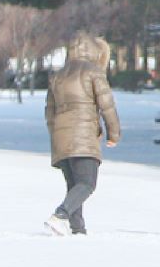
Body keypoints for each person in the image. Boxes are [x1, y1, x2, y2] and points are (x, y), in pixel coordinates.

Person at [45, 40, 118, 230]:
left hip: (61, 138)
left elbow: (49, 113)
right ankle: (61, 214)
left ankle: (77, 229)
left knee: (74, 185)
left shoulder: (58, 76)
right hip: (83, 138)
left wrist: (56, 135)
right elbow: (107, 106)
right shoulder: (94, 72)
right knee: (86, 183)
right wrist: (114, 133)